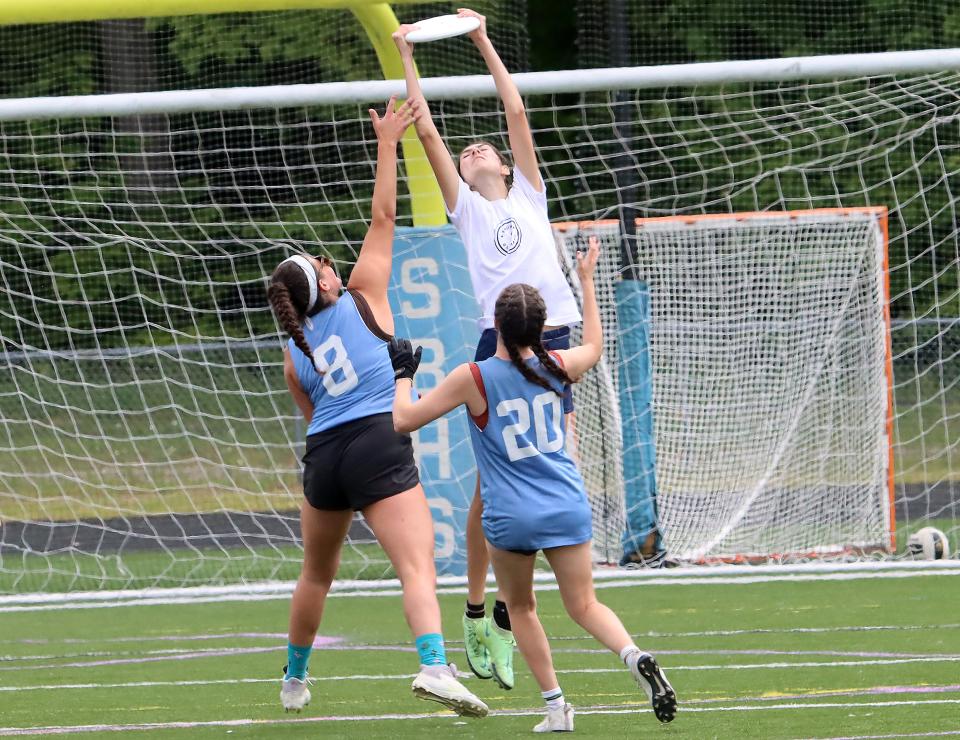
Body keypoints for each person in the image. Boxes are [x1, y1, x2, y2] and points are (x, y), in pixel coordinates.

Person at [388, 238, 677, 731]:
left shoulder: (473, 376)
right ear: (543, 329)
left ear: (495, 326)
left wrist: (402, 374)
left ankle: (556, 707)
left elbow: (404, 420)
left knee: (520, 607)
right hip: (566, 504)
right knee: (585, 604)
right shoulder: (558, 365)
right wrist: (585, 280)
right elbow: (595, 346)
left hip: (511, 515)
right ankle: (633, 655)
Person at [267, 96, 487, 719]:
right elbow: (384, 214)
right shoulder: (362, 293)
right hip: (374, 439)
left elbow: (309, 410)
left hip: (325, 457)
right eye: (322, 266)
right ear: (327, 283)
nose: (331, 265)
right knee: (417, 565)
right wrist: (389, 140)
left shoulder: (296, 343)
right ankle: (434, 667)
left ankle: (294, 680)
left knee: (316, 575)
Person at [393, 8, 583, 690]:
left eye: (484, 150)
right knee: (490, 482)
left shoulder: (529, 194)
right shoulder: (467, 209)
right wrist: (408, 53)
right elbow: (425, 125)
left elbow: (514, 108)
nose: (473, 152)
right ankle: (477, 608)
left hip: (554, 332)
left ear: (504, 164)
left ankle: (507, 610)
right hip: (497, 342)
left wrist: (479, 39)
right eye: (466, 152)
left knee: (555, 454)